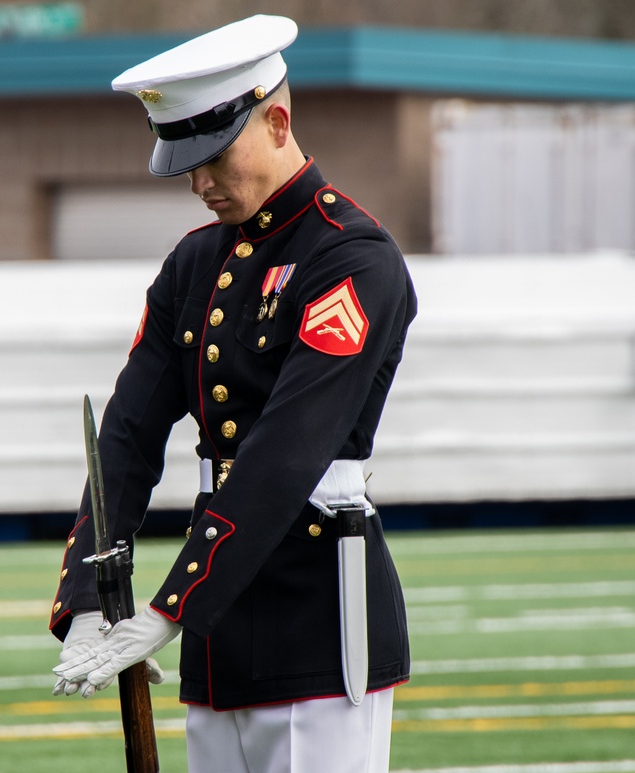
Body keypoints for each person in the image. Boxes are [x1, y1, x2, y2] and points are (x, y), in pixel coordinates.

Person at [49, 14, 416, 773]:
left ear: (278, 121)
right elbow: (124, 435)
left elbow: (286, 451)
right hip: (220, 637)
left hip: (317, 616)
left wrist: (170, 605)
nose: (200, 183)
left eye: (215, 157)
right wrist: (88, 594)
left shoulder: (351, 257)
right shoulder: (194, 263)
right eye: (187, 163)